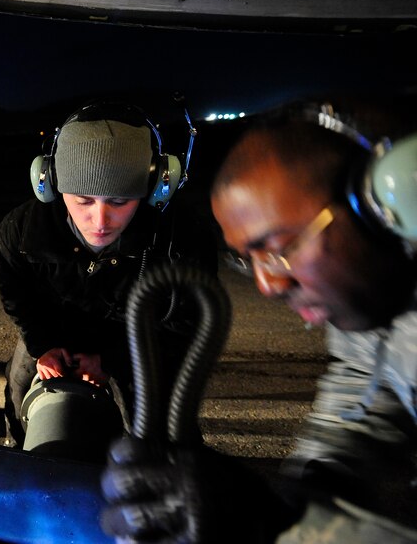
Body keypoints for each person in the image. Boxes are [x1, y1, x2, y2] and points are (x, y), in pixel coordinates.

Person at [101, 100, 417, 543]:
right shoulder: (382, 305)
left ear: (389, 202)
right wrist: (296, 500)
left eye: (277, 246)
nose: (268, 285)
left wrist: (266, 526)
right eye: (249, 258)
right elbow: (365, 385)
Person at [0, 101, 218, 459]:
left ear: (157, 186)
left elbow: (183, 324)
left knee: (158, 429)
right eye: (83, 200)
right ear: (50, 185)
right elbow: (17, 295)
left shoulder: (183, 240)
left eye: (119, 200)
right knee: (20, 386)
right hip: (53, 328)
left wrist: (113, 359)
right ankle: (20, 456)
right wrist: (42, 344)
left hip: (140, 339)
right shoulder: (20, 232)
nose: (100, 220)